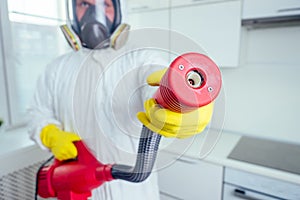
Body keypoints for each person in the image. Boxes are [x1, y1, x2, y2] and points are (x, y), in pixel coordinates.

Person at [27, 0, 214, 199]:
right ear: (72, 11)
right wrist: (49, 133)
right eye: (84, 4)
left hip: (131, 192)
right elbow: (37, 113)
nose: (95, 13)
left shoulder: (140, 59)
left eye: (104, 4)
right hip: (75, 187)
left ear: (119, 11)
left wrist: (182, 103)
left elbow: (157, 82)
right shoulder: (56, 69)